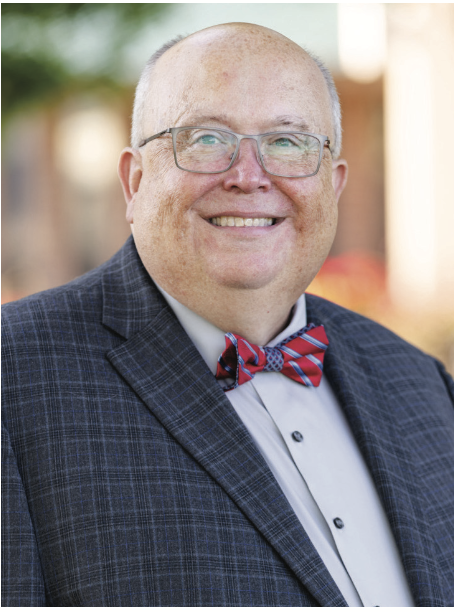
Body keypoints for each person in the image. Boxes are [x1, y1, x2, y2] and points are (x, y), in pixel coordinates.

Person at [2, 23, 453, 607]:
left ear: (334, 187)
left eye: (288, 142)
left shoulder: (421, 383)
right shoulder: (14, 379)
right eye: (206, 139)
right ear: (135, 182)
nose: (248, 176)